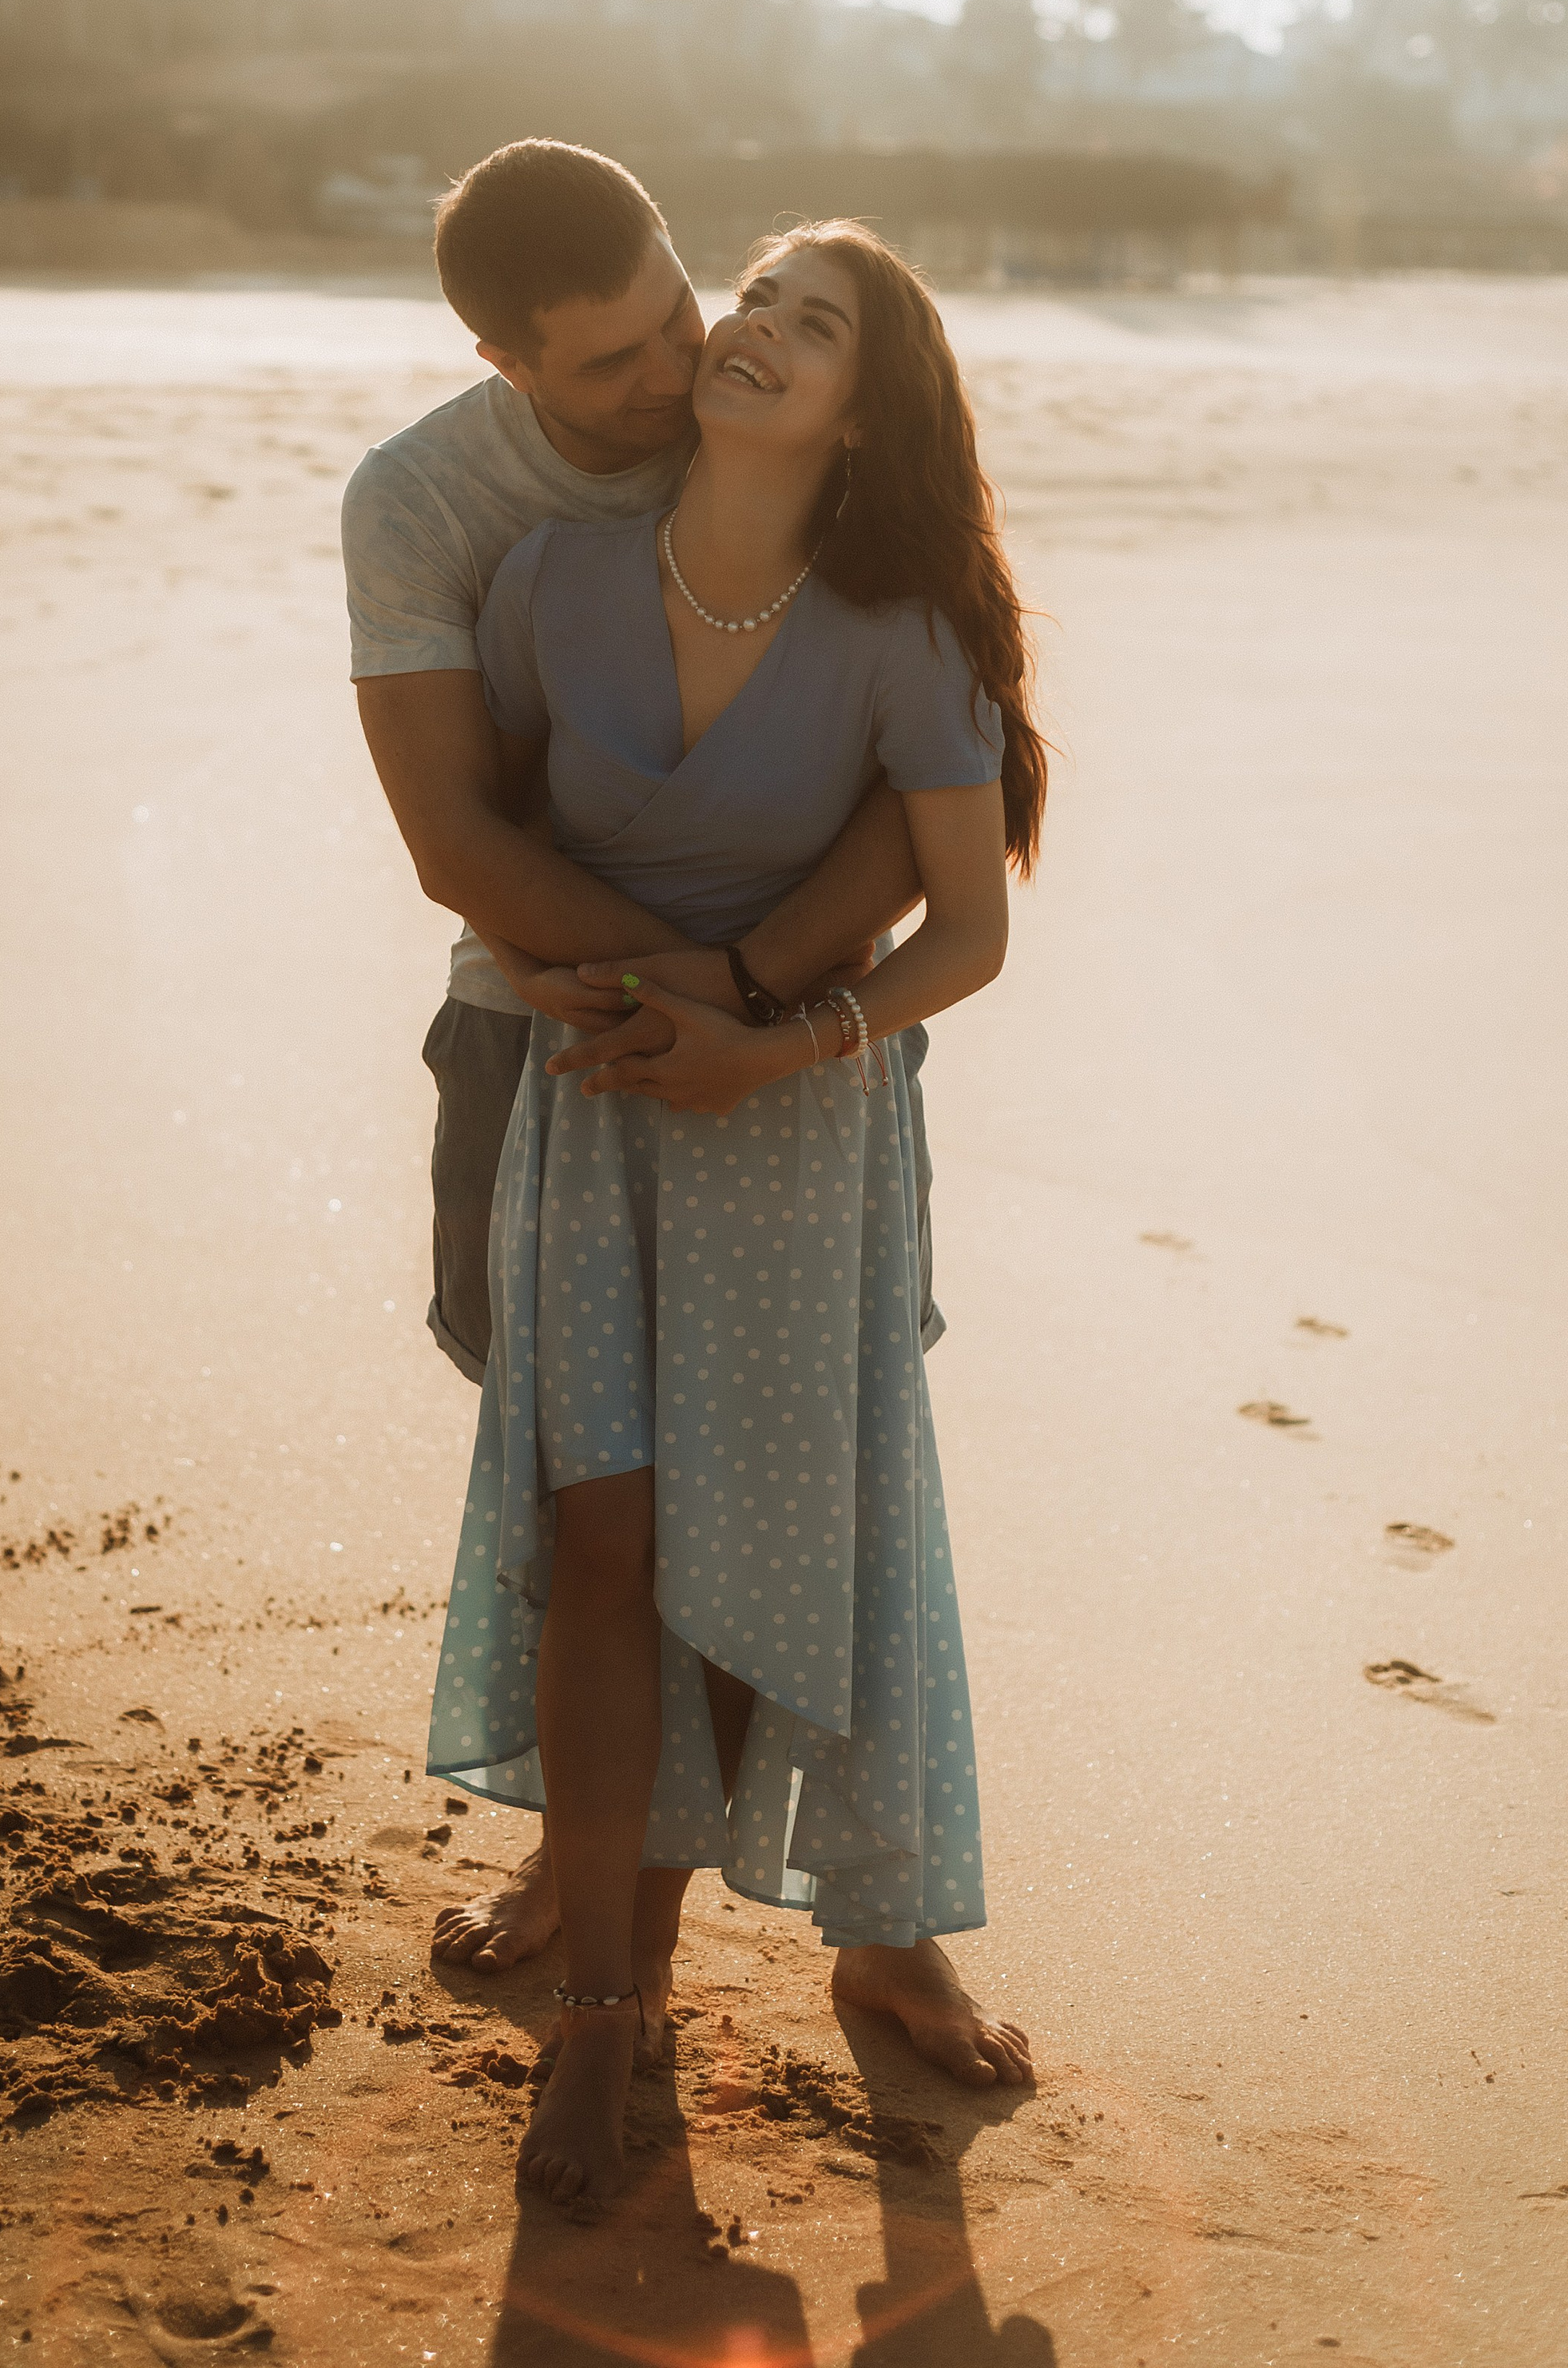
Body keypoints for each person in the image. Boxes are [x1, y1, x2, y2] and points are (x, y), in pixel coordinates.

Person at [425, 221, 1048, 2210]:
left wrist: (772, 1038)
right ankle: (606, 2018)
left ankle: (686, 1964)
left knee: (721, 1575)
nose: (761, 332)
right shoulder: (544, 581)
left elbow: (971, 929)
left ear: (871, 404)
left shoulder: (901, 636)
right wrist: (630, 1008)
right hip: (595, 1118)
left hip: (792, 1138)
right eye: (756, 300)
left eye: (816, 323)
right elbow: (499, 857)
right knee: (595, 1540)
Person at [343, 144, 949, 1973]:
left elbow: (924, 773)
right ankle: (583, 1873)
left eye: (674, 317)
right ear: (505, 361)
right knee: (575, 1479)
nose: (670, 376)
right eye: (608, 366)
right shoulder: (430, 502)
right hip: (537, 1034)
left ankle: (879, 1911)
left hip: (786, 1040)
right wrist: (668, 1000)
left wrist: (755, 997)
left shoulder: (754, 403)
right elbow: (459, 839)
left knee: (797, 1463)